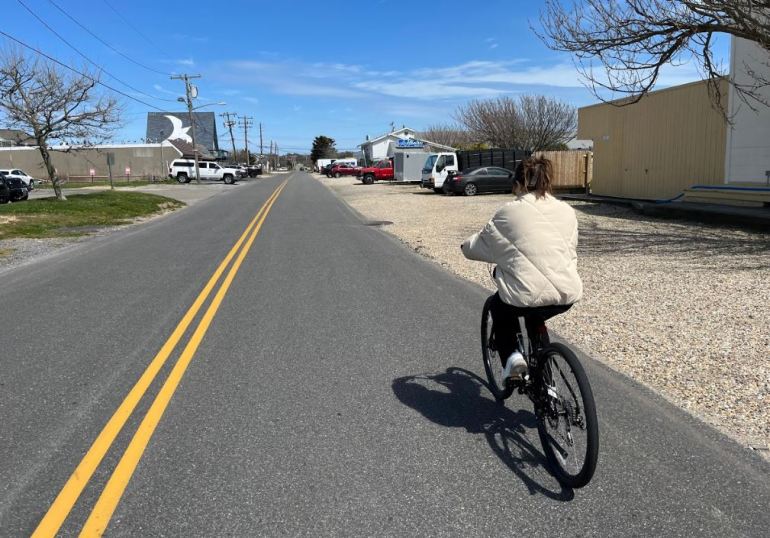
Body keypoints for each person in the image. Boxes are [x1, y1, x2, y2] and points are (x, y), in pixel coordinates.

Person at [461, 157, 582, 376]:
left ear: (518, 183)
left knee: (500, 308)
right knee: (536, 313)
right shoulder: (567, 210)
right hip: (566, 292)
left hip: (524, 294)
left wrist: (465, 246)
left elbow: (480, 246)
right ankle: (547, 379)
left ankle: (514, 359)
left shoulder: (508, 212)